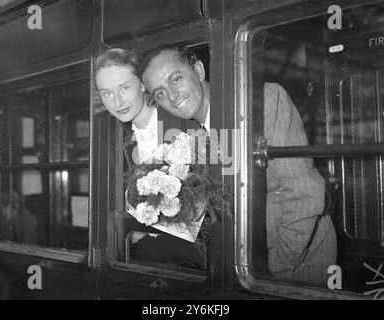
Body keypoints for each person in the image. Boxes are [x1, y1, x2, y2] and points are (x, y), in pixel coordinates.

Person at [140, 44, 337, 286]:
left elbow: (302, 192)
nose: (172, 96)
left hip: (297, 261)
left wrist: (269, 269)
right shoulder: (196, 136)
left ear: (199, 71)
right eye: (160, 93)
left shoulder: (262, 101)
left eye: (176, 79)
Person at [95, 48, 206, 269]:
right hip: (145, 260)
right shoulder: (118, 138)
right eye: (106, 93)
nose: (117, 101)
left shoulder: (186, 118)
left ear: (143, 84)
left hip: (196, 261)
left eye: (124, 88)